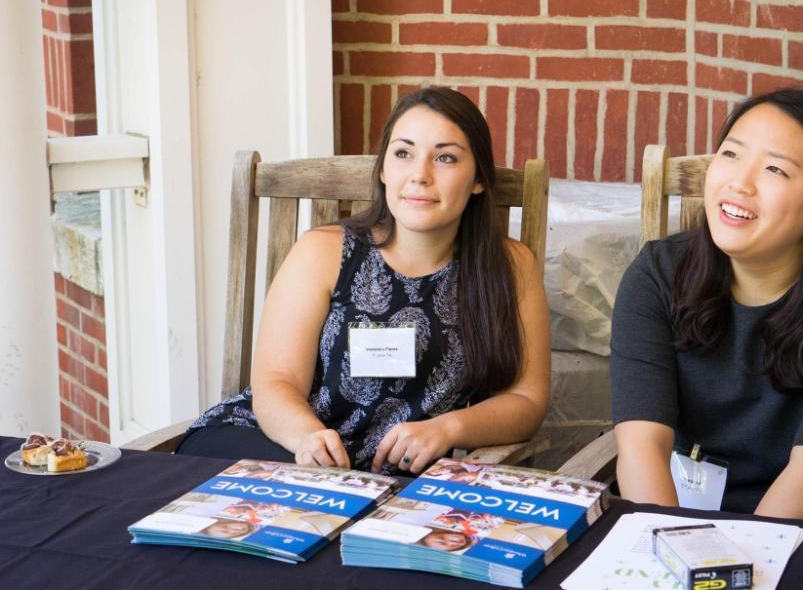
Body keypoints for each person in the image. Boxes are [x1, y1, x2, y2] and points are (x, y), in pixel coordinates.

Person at [178, 87, 550, 475]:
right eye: (403, 153)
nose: (419, 175)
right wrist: (306, 439)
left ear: (477, 179)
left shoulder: (509, 267)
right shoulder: (323, 252)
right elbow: (276, 381)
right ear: (385, 170)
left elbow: (528, 399)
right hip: (282, 447)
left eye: (445, 158)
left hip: (390, 483)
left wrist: (448, 428)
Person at [610, 88, 803, 528]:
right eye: (731, 154)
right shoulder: (657, 275)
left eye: (775, 168)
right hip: (679, 512)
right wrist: (676, 547)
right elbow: (642, 447)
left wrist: (736, 568)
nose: (740, 183)